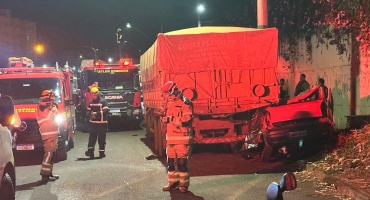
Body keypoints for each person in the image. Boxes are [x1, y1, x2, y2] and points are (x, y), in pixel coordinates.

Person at [161, 81, 194, 193]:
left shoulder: (186, 103)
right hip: (170, 138)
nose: (168, 97)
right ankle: (173, 183)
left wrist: (170, 120)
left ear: (174, 90)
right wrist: (164, 119)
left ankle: (183, 185)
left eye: (168, 94)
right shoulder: (169, 102)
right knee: (170, 163)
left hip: (182, 139)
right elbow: (165, 115)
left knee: (181, 163)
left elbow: (186, 121)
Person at [36, 90, 59, 183]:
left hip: (53, 132)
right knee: (48, 154)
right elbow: (50, 115)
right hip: (48, 133)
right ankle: (44, 175)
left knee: (52, 154)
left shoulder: (50, 105)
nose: (52, 99)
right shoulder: (42, 105)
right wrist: (53, 106)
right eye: (51, 96)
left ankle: (49, 173)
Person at [85, 87, 109, 159]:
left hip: (101, 123)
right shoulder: (91, 102)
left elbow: (106, 111)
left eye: (94, 94)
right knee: (92, 138)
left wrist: (96, 113)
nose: (93, 95)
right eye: (92, 94)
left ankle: (101, 153)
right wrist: (90, 114)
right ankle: (90, 153)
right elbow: (88, 111)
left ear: (98, 93)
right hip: (93, 123)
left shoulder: (103, 101)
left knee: (101, 138)